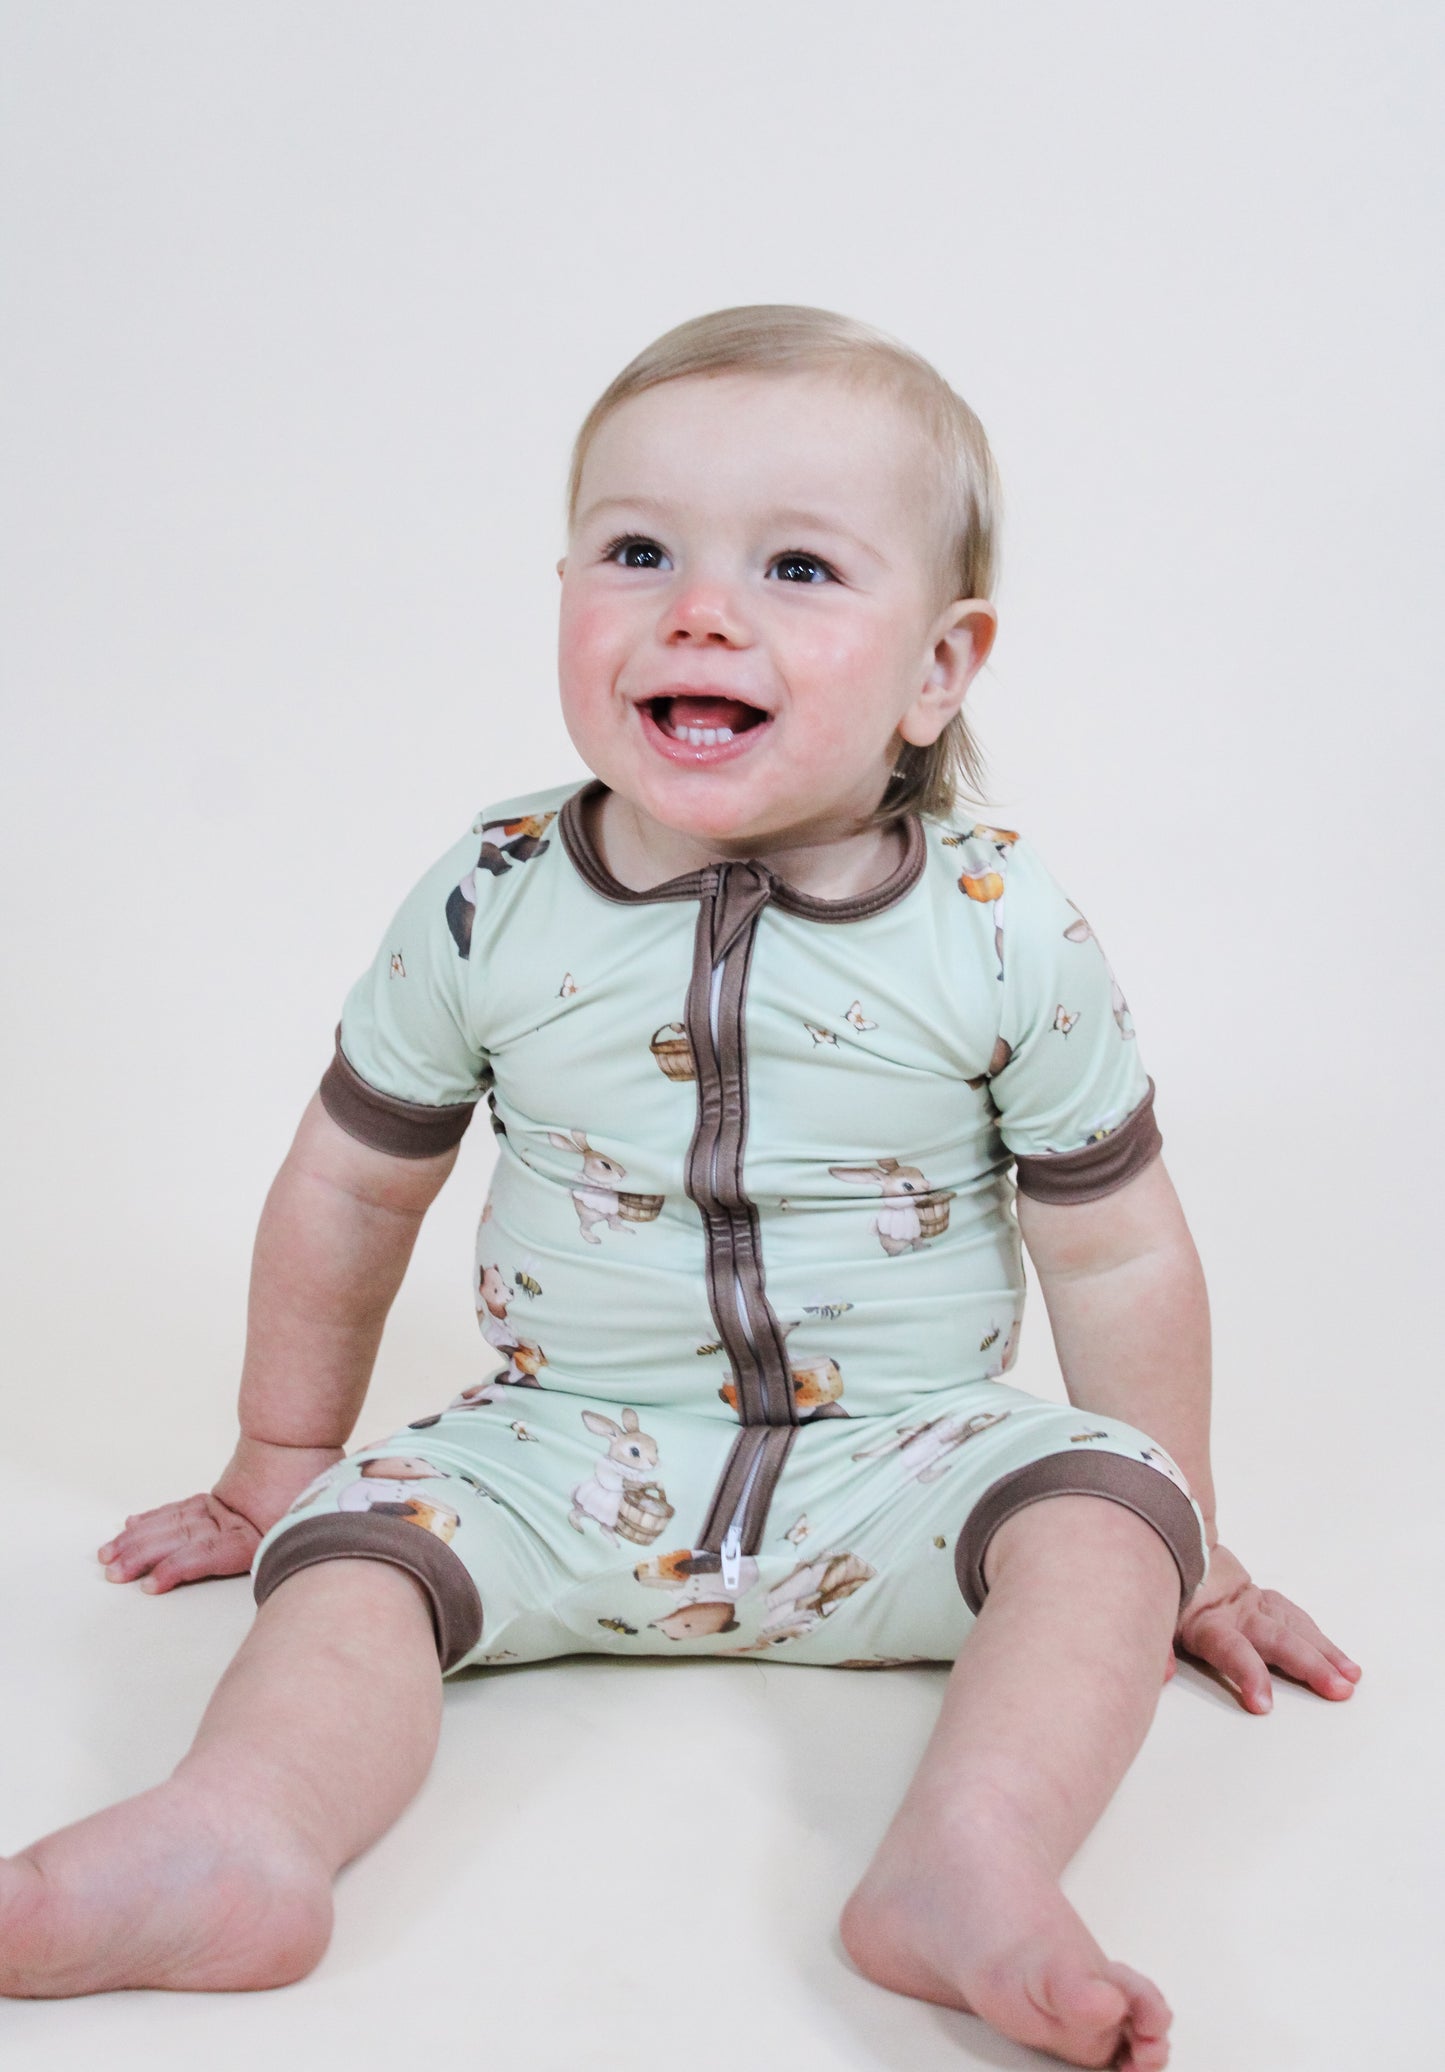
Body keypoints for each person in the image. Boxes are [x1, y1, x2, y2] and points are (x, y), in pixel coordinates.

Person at [0, 307, 1359, 2069]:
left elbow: (1113, 1261)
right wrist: (277, 1460)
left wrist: (1189, 1529)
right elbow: (351, 1186)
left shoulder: (1002, 932)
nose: (698, 609)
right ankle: (239, 1838)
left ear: (938, 669)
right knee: (352, 1565)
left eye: (796, 567)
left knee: (1097, 1532)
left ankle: (968, 1861)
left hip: (909, 1460)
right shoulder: (492, 896)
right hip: (557, 1448)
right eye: (637, 551)